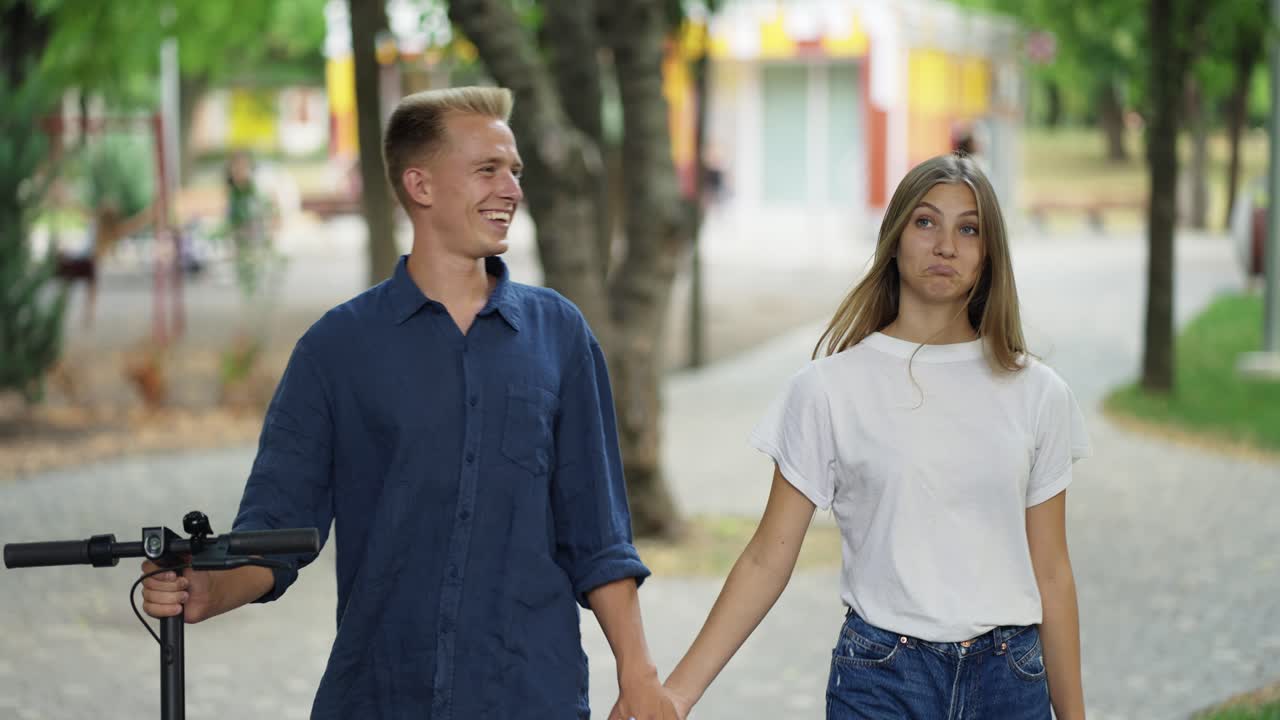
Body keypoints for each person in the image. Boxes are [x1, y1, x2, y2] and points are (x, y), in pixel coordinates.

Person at [141, 86, 675, 720]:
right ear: (420, 186)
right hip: (378, 696)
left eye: (514, 171)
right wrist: (211, 588)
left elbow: (599, 535)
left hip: (531, 696)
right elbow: (276, 532)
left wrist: (639, 677)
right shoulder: (335, 349)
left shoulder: (560, 336)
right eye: (487, 169)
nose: (511, 189)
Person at [661, 153, 1091, 719]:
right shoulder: (828, 390)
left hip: (1009, 680)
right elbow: (767, 558)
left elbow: (1053, 571)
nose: (946, 246)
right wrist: (675, 696)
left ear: (989, 255)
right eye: (926, 222)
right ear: (894, 237)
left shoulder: (1038, 392)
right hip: (884, 679)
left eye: (969, 229)